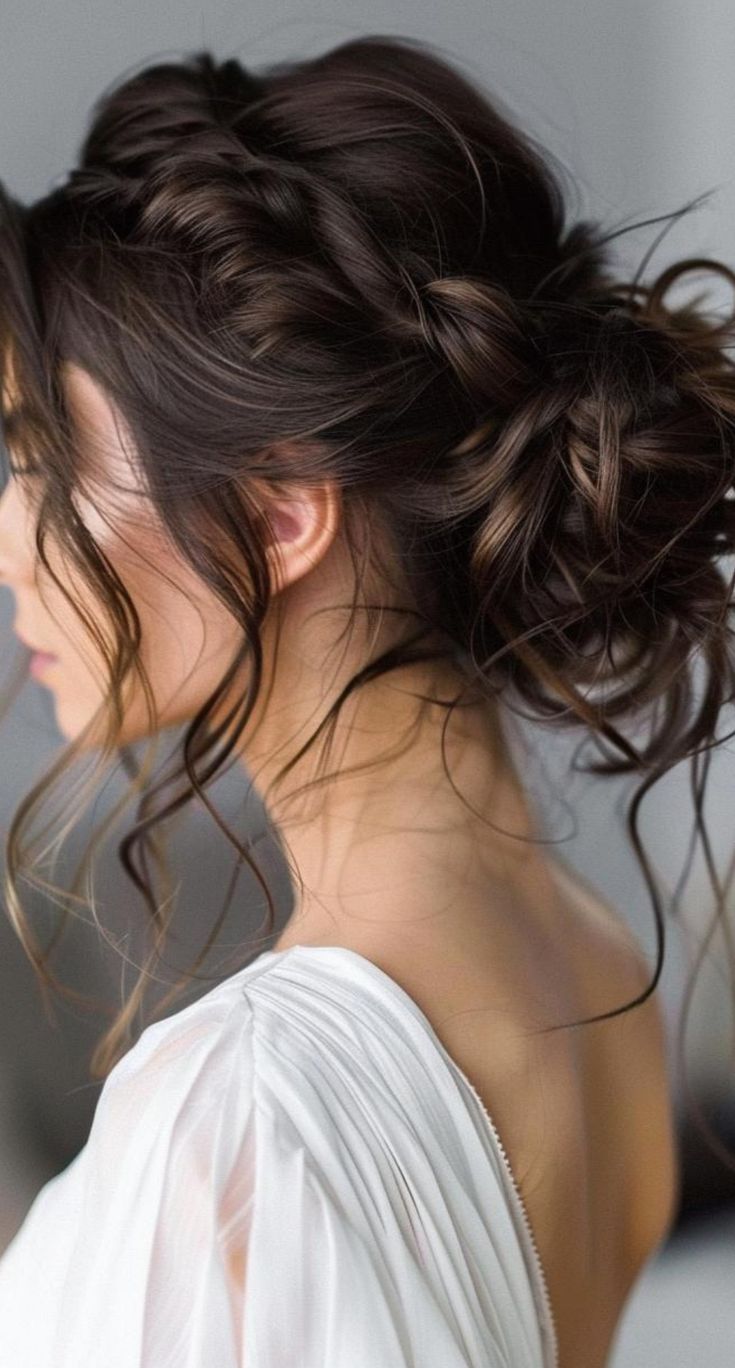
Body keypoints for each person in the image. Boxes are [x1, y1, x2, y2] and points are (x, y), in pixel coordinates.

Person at [0, 32, 733, 1367]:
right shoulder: (599, 971)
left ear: (281, 508)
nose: (8, 541)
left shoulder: (242, 1109)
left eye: (45, 461)